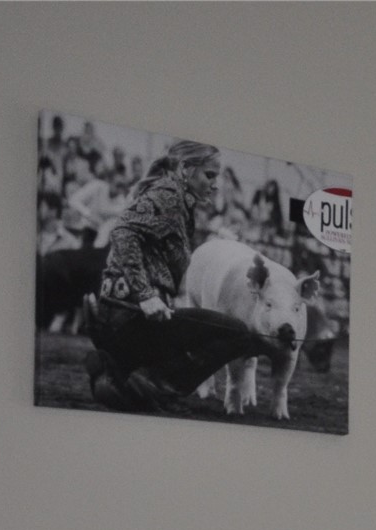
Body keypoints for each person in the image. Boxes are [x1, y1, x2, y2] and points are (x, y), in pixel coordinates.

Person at [82, 140, 279, 414]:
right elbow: (123, 233)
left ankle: (114, 368)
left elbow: (156, 244)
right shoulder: (169, 195)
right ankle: (152, 385)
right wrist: (146, 295)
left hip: (119, 316)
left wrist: (209, 238)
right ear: (186, 168)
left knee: (189, 331)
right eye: (209, 175)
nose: (215, 184)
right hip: (132, 315)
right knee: (237, 334)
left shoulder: (171, 197)